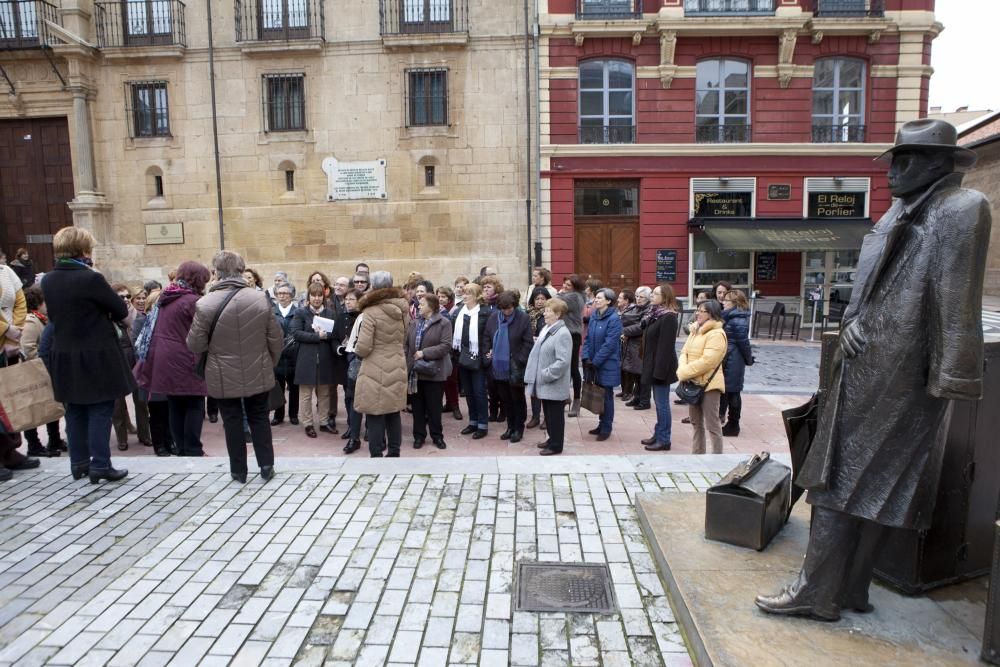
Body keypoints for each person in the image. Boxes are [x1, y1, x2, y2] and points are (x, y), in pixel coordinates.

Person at [757, 119, 993, 622]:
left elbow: (958, 296)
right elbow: (867, 291)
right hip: (866, 359)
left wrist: (955, 376)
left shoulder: (960, 209)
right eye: (893, 159)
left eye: (905, 160)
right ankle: (850, 587)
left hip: (901, 366)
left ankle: (816, 591)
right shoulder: (902, 210)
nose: (892, 171)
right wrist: (850, 324)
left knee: (841, 477)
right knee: (864, 477)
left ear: (937, 165)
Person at [43, 226, 135, 482]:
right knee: (100, 408)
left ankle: (79, 463)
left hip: (64, 353)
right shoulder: (90, 278)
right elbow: (119, 308)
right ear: (83, 249)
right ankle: (100, 465)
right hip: (95, 354)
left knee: (74, 410)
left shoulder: (48, 280)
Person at [187, 251, 282, 484]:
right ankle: (266, 465)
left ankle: (238, 471)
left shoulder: (205, 303)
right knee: (259, 417)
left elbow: (195, 344)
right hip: (257, 366)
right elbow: (276, 339)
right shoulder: (260, 298)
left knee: (231, 421)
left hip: (221, 372)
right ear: (241, 270)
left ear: (217, 272)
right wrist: (270, 362)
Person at [134, 261, 211, 457]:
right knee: (194, 403)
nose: (205, 284)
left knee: (175, 403)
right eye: (204, 280)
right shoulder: (192, 301)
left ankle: (181, 446)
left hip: (163, 358)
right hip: (185, 357)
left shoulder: (166, 297)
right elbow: (203, 332)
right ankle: (193, 448)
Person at [353, 271, 410, 457]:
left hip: (374, 368)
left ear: (374, 287)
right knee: (393, 411)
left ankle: (376, 455)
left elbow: (363, 346)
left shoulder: (370, 312)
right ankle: (394, 453)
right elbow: (405, 338)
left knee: (374, 412)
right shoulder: (402, 309)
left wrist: (355, 349)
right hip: (397, 363)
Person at [18, 286, 65, 457]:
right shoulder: (31, 321)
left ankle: (55, 440)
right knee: (34, 410)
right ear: (38, 303)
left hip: (45, 371)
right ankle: (34, 445)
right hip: (34, 373)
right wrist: (43, 361)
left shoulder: (42, 319)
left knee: (51, 407)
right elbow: (27, 348)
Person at [677, 300, 727, 454]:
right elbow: (684, 352)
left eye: (702, 311)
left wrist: (684, 372)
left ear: (711, 314)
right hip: (692, 382)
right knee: (695, 422)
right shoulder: (695, 330)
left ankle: (718, 457)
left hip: (709, 385)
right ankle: (697, 454)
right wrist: (683, 369)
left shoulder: (717, 334)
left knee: (712, 424)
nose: (697, 313)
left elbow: (708, 361)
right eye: (697, 310)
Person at [525, 298, 572, 456]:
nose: (544, 313)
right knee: (549, 414)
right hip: (546, 383)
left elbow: (563, 362)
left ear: (558, 314)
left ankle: (556, 445)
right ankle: (551, 439)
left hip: (553, 382)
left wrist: (545, 374)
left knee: (556, 416)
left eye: (548, 311)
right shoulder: (549, 329)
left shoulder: (562, 334)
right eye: (545, 310)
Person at [406, 293, 453, 450]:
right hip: (416, 372)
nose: (419, 306)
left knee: (434, 408)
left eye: (422, 304)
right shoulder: (414, 323)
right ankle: (419, 436)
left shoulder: (444, 323)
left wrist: (424, 353)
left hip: (434, 372)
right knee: (417, 408)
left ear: (431, 306)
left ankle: (437, 437)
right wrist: (409, 364)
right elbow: (406, 345)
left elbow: (445, 346)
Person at [486, 291, 534, 443]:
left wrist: (519, 359)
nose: (506, 311)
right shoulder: (494, 317)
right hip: (498, 367)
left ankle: (518, 429)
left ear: (514, 305)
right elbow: (487, 336)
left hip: (515, 366)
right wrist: (488, 351)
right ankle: (510, 427)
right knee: (505, 399)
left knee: (517, 399)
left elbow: (528, 342)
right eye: (503, 309)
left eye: (509, 308)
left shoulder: (523, 318)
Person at [291, 284, 337, 438]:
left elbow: (334, 334)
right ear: (308, 297)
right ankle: (308, 424)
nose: (316, 299)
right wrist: (317, 336)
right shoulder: (301, 313)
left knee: (324, 393)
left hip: (325, 358)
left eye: (319, 296)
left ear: (323, 297)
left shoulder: (329, 313)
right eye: (313, 295)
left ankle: (324, 422)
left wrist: (326, 335)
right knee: (306, 394)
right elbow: (296, 333)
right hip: (306, 358)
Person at [109, 283, 151, 451]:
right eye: (121, 297)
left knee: (141, 401)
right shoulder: (109, 318)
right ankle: (122, 439)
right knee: (117, 405)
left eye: (128, 296)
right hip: (116, 363)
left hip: (136, 362)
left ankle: (145, 435)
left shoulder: (138, 316)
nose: (125, 300)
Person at [639, 284, 680, 452]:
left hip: (661, 368)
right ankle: (658, 433)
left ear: (665, 297)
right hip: (652, 364)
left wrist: (659, 372)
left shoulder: (668, 317)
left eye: (655, 294)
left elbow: (665, 347)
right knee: (658, 402)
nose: (652, 296)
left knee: (662, 404)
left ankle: (664, 439)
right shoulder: (655, 314)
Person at [452, 282, 492, 439]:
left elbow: (489, 336)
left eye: (468, 293)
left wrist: (486, 354)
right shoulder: (459, 312)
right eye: (464, 292)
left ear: (476, 296)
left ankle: (483, 425)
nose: (464, 295)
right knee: (468, 392)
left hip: (478, 359)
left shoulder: (485, 313)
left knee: (479, 392)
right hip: (463, 357)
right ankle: (473, 421)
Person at [582, 288, 622, 441]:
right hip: (593, 363)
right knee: (598, 394)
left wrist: (596, 360)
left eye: (599, 298)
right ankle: (600, 424)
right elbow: (587, 339)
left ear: (608, 301)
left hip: (606, 364)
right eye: (595, 298)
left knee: (607, 397)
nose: (595, 300)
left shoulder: (613, 319)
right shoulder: (594, 316)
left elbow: (610, 344)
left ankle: (606, 427)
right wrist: (586, 357)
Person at [720, 289, 753, 437]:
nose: (723, 302)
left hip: (734, 359)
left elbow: (743, 343)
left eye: (726, 300)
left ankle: (734, 425)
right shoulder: (730, 316)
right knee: (728, 391)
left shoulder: (737, 319)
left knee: (733, 392)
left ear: (734, 303)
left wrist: (748, 359)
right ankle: (730, 422)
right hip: (729, 357)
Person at [335, 289, 362, 453]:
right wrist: (339, 347)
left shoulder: (363, 317)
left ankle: (365, 430)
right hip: (344, 362)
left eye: (352, 299)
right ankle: (352, 427)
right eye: (346, 299)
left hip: (360, 361)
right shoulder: (341, 317)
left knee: (362, 397)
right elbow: (334, 337)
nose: (348, 302)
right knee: (348, 396)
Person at [557, 275, 586, 417]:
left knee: (573, 369)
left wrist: (559, 293)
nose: (565, 286)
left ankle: (576, 401)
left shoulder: (574, 297)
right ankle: (564, 397)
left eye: (568, 285)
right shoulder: (572, 295)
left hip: (572, 336)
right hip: (564, 334)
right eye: (564, 283)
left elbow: (555, 303)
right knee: (565, 367)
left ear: (575, 286)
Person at [271, 284, 299, 426]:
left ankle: (293, 414)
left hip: (294, 356)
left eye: (285, 293)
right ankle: (278, 415)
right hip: (277, 356)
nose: (282, 296)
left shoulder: (298, 312)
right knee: (278, 387)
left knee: (294, 388)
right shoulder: (271, 312)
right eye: (279, 293)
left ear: (291, 295)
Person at [525, 287, 552, 430]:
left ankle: (548, 418)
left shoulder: (549, 314)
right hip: (531, 353)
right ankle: (535, 416)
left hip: (546, 355)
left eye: (543, 299)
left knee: (545, 387)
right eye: (537, 299)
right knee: (533, 386)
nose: (540, 302)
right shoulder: (528, 314)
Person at [436, 285, 462, 421]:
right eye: (439, 296)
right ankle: (447, 405)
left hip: (452, 351)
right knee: (442, 379)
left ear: (449, 298)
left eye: (444, 296)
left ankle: (455, 406)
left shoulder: (455, 310)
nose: (441, 299)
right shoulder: (437, 310)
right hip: (440, 349)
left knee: (452, 380)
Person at [617, 289, 641, 403]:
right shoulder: (621, 310)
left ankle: (628, 391)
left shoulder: (633, 310)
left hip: (630, 341)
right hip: (622, 341)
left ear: (626, 300)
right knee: (622, 366)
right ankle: (624, 390)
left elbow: (634, 325)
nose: (618, 299)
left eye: (620, 298)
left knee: (629, 368)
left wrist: (624, 332)